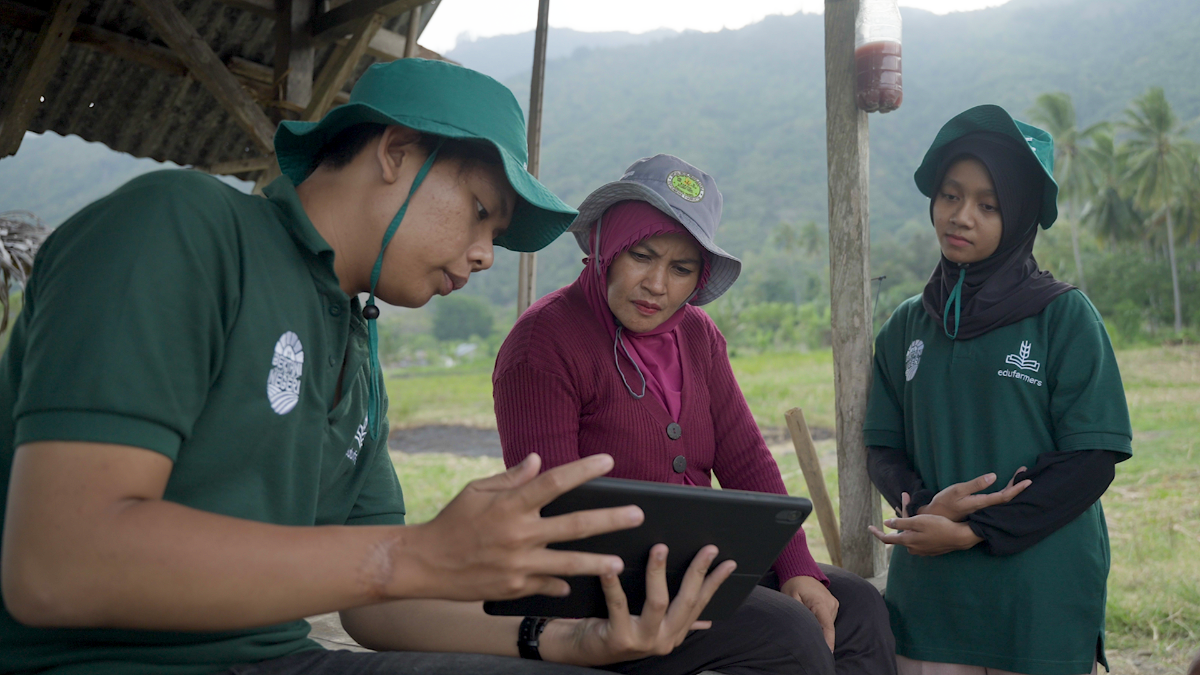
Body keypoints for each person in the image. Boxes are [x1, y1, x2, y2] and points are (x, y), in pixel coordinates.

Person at [0, 60, 738, 675]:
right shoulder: (185, 229)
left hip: (280, 656)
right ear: (394, 152)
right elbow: (58, 564)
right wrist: (408, 552)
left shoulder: (355, 344)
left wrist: (566, 640)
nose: (485, 253)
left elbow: (379, 603)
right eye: (481, 210)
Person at [493, 154, 897, 675]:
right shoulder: (544, 341)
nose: (657, 284)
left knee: (857, 605)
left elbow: (746, 460)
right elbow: (550, 506)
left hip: (698, 565)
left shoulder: (697, 335)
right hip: (602, 585)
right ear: (605, 247)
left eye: (681, 269)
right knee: (788, 633)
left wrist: (797, 568)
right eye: (642, 255)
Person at [864, 104, 1133, 675]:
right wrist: (922, 510)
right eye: (950, 195)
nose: (962, 216)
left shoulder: (1064, 318)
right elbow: (883, 448)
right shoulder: (905, 327)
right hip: (932, 603)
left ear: (1020, 217)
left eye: (989, 205)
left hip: (1039, 600)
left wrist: (972, 531)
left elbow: (1092, 460)